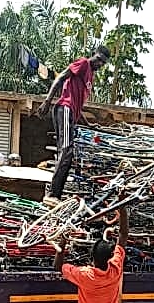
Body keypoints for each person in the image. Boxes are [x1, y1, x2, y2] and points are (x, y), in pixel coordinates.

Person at [38, 46, 110, 201]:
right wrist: (47, 101)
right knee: (66, 150)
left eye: (103, 63)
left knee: (66, 155)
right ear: (93, 55)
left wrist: (88, 124)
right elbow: (61, 77)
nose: (99, 64)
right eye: (98, 59)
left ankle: (55, 195)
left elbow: (78, 106)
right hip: (64, 109)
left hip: (71, 113)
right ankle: (52, 194)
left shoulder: (91, 77)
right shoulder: (83, 63)